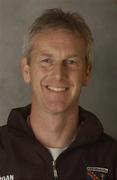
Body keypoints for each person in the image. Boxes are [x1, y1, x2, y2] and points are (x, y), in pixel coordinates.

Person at [0, 8, 116, 180]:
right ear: (27, 71)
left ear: (87, 73)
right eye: (47, 61)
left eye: (71, 62)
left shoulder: (111, 157)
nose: (58, 75)